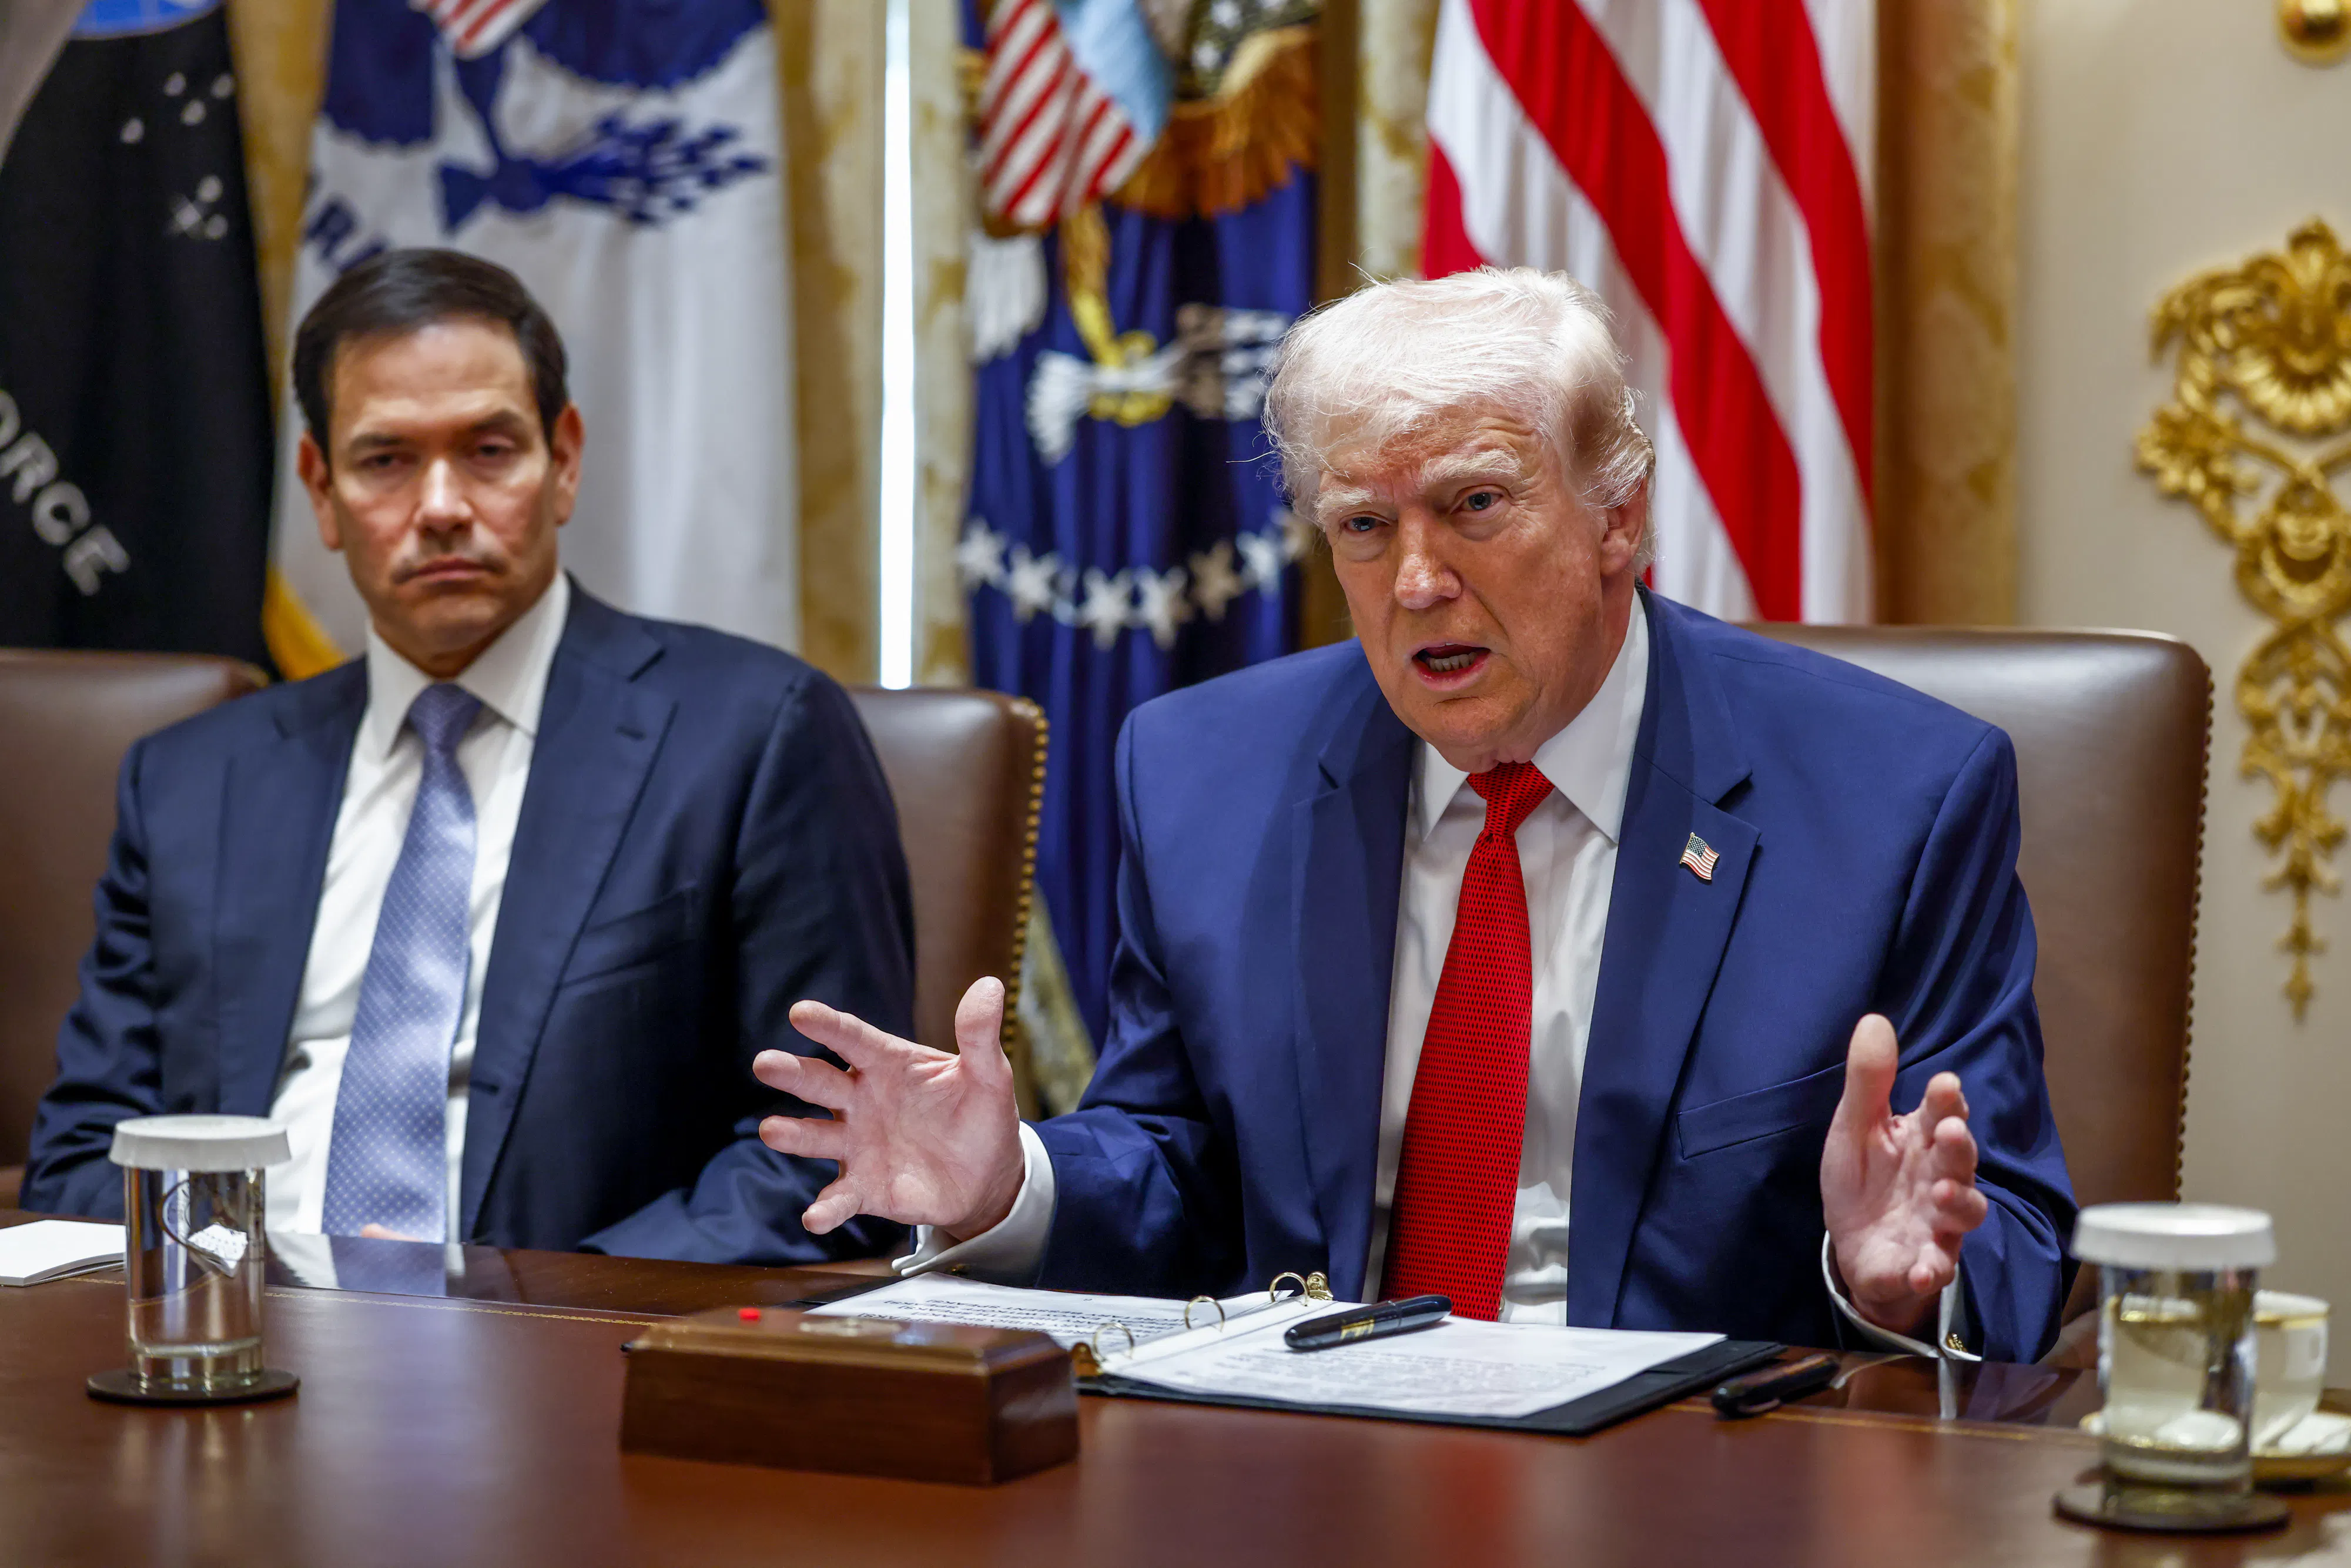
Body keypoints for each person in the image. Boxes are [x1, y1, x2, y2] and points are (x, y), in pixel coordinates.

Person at [755, 268, 2077, 1361]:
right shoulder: (1202, 770)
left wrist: (1897, 1278)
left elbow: (2007, 1240)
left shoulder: (1890, 796)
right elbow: (1179, 1164)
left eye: (1475, 505)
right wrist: (1012, 1183)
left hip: (1689, 1488)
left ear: (1617, 516)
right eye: (1364, 525)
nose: (1419, 580)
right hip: (1310, 1472)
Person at [23, 248, 913, 1267]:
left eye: (489, 451)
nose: (441, 505)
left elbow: (828, 1151)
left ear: (564, 458)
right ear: (320, 488)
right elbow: (90, 1158)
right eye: (386, 460)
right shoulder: (192, 783)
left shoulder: (754, 736)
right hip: (239, 1357)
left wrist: (521, 1320)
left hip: (565, 1368)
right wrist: (247, 1299)